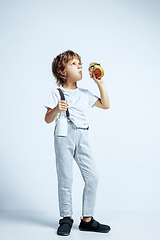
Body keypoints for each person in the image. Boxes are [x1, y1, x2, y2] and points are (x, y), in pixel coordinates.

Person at [44, 50, 111, 236]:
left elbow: (105, 105)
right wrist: (57, 109)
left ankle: (87, 219)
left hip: (82, 135)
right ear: (63, 72)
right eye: (74, 64)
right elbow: (47, 119)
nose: (79, 66)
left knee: (92, 177)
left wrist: (100, 83)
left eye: (79, 63)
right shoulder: (57, 93)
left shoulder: (84, 93)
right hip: (63, 135)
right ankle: (66, 217)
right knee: (65, 178)